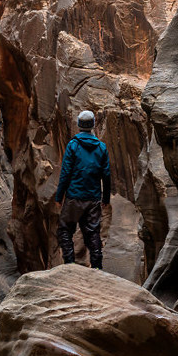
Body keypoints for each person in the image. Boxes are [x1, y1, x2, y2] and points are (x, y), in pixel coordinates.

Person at [55, 110, 111, 270]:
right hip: (93, 199)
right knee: (93, 233)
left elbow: (65, 172)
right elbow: (106, 175)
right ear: (93, 126)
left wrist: (59, 196)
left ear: (79, 126)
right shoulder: (101, 147)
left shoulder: (73, 145)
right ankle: (97, 267)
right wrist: (105, 199)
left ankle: (69, 265)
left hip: (74, 197)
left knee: (65, 229)